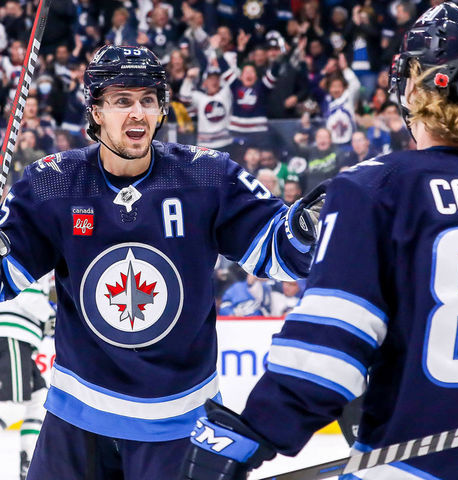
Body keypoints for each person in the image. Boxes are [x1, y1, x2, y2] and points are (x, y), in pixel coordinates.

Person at [181, 4, 458, 480]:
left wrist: (251, 434)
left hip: (403, 466)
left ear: (416, 84)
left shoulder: (373, 187)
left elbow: (327, 356)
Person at [0, 45, 324, 480]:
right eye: (121, 101)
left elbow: (281, 256)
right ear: (95, 111)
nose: (137, 113)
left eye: (147, 100)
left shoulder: (209, 176)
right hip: (77, 418)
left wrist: (305, 228)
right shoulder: (53, 183)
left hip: (178, 423)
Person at [0, 275, 55, 480]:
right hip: (11, 332)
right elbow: (25, 294)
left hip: (20, 337)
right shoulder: (38, 252)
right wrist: (50, 316)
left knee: (39, 399)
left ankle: (28, 467)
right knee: (12, 405)